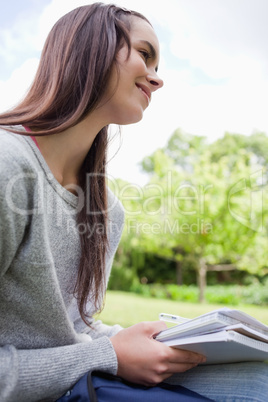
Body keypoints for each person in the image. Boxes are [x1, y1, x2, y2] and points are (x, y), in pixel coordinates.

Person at [0, 3, 267, 402]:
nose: (157, 80)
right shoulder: (9, 165)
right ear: (89, 49)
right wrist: (110, 354)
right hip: (50, 390)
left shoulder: (106, 207)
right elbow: (91, 352)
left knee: (259, 377)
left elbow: (77, 328)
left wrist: (139, 339)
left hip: (78, 381)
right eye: (145, 54)